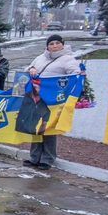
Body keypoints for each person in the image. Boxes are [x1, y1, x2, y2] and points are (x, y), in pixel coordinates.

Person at [24, 34, 81, 169]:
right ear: (47, 46)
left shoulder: (68, 59)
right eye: (51, 44)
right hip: (38, 97)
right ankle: (34, 157)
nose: (54, 46)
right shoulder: (41, 57)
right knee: (36, 127)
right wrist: (31, 69)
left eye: (57, 43)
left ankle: (47, 158)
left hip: (54, 99)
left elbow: (75, 75)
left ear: (62, 44)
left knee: (49, 129)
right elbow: (29, 68)